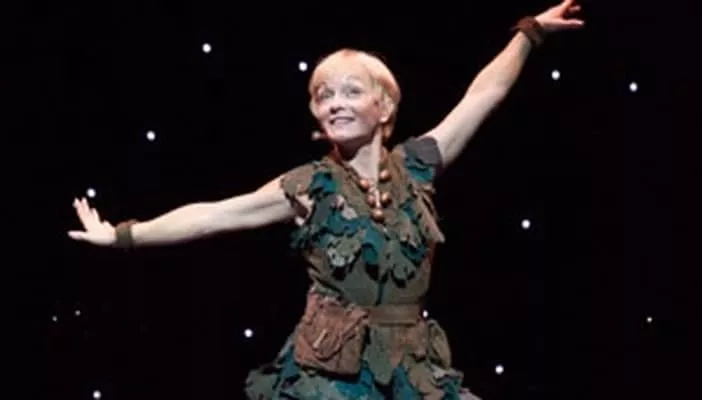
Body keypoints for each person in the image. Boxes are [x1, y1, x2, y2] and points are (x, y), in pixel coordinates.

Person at [68, 1, 583, 398]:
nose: (334, 104)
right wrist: (123, 235)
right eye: (323, 96)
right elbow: (215, 215)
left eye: (350, 92)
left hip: (413, 370)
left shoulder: (418, 165)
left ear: (385, 107)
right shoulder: (310, 187)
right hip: (332, 375)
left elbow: (484, 95)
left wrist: (529, 33)